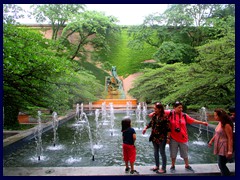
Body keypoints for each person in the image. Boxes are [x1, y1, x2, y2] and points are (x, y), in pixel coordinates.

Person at [165, 101, 208, 173]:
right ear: (174, 108)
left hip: (183, 137)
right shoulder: (170, 114)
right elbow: (160, 111)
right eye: (179, 108)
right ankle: (172, 166)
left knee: (185, 153)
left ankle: (187, 165)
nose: (181, 109)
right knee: (173, 153)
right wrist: (153, 113)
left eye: (181, 107)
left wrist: (202, 123)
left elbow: (192, 120)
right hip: (173, 138)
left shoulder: (184, 115)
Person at [142, 102, 171, 174]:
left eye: (155, 108)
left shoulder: (165, 117)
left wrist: (168, 138)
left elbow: (168, 129)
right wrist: (145, 128)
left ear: (160, 109)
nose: (154, 109)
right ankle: (157, 166)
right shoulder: (154, 115)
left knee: (162, 152)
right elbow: (151, 123)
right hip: (154, 137)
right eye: (154, 108)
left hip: (162, 137)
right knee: (155, 152)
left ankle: (163, 168)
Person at [208, 108, 234, 176]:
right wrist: (211, 140)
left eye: (216, 115)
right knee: (221, 164)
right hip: (219, 144)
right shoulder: (220, 122)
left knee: (221, 164)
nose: (214, 117)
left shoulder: (226, 125)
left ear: (220, 116)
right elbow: (217, 133)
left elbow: (230, 138)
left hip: (224, 146)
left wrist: (230, 151)